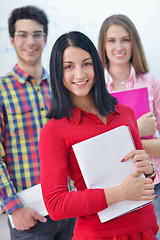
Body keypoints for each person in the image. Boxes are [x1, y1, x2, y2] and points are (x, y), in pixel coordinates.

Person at [39, 31, 159, 240]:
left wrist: (148, 170)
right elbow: (56, 204)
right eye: (69, 67)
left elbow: (142, 179)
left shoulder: (125, 114)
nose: (80, 74)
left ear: (96, 64)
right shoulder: (54, 131)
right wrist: (119, 193)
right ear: (58, 73)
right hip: (100, 235)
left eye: (86, 64)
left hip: (145, 228)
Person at [0, 5, 75, 240]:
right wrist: (14, 207)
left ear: (46, 38)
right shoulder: (2, 90)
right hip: (31, 216)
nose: (30, 41)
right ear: (12, 40)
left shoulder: (63, 86)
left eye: (37, 34)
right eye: (22, 34)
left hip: (72, 208)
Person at [98, 14, 160, 229]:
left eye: (125, 39)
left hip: (154, 185)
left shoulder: (151, 82)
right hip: (114, 190)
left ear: (134, 42)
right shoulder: (95, 90)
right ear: (103, 46)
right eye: (112, 40)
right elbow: (99, 149)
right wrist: (137, 130)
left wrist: (126, 138)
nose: (119, 46)